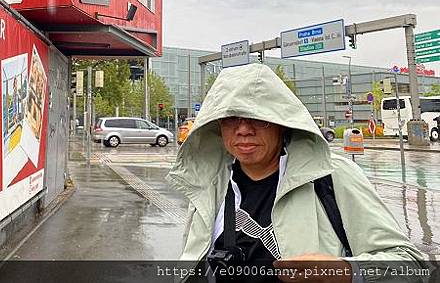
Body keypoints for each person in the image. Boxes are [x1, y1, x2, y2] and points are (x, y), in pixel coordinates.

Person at [167, 63, 424, 281]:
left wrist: (346, 271)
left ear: (282, 123)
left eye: (258, 117)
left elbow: (411, 265)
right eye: (231, 118)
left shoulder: (331, 176)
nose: (243, 129)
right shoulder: (212, 184)